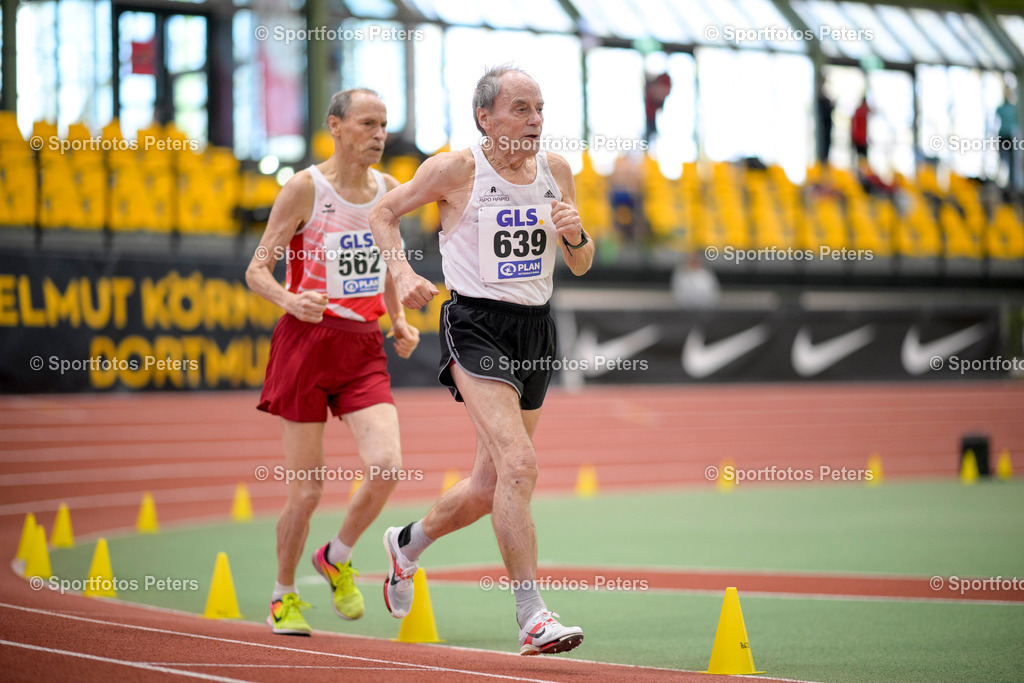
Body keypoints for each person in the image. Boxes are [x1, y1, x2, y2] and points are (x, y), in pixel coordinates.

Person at [368, 65, 594, 656]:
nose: (535, 119)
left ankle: (406, 544)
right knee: (520, 466)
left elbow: (581, 264)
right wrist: (403, 270)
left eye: (540, 107)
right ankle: (532, 616)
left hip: (535, 330)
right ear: (485, 117)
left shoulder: (558, 171)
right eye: (520, 108)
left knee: (487, 485)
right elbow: (381, 214)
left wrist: (574, 234)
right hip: (474, 325)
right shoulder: (455, 169)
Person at [245, 88, 421, 636]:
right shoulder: (304, 188)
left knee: (388, 466)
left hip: (363, 345)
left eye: (384, 125)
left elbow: (390, 264)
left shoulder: (391, 191)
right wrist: (289, 300)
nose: (378, 134)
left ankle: (337, 554)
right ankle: (283, 592)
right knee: (308, 490)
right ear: (336, 126)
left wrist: (395, 318)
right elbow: (257, 269)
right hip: (306, 342)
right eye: (367, 123)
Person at [851, 95, 869, 164]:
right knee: (861, 158)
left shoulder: (859, 111)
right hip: (859, 138)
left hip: (861, 138)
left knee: (862, 158)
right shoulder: (861, 111)